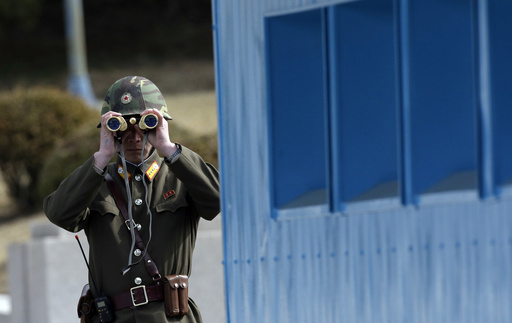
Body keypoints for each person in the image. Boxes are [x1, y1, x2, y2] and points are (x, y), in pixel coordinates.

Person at [43, 76, 221, 323]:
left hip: (170, 317)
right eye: (123, 126)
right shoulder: (97, 184)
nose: (134, 136)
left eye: (145, 124)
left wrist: (169, 149)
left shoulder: (180, 178)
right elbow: (58, 214)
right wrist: (102, 157)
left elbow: (219, 200)